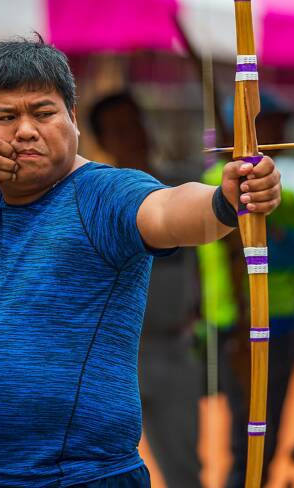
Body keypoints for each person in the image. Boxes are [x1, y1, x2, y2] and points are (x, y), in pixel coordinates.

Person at [0, 37, 282, 488]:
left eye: (43, 113)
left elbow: (169, 212)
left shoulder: (103, 194)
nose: (26, 130)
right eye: (6, 117)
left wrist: (227, 201)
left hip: (77, 479)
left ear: (72, 118)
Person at [199, 91, 294, 487]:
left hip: (281, 323)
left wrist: (279, 237)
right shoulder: (216, 186)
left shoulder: (280, 192)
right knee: (250, 434)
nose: (283, 132)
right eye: (271, 123)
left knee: (265, 429)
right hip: (242, 324)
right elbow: (228, 254)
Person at [88, 92, 203, 488]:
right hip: (112, 353)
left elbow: (227, 190)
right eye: (120, 130)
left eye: (137, 123)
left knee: (185, 466)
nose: (135, 135)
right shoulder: (94, 197)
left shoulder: (181, 187)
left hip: (173, 347)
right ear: (103, 142)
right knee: (99, 466)